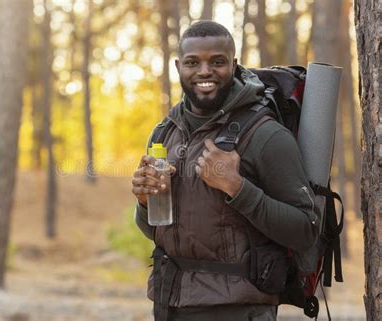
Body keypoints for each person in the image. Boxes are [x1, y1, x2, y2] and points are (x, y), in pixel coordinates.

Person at [131, 21, 320, 321]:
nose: (204, 71)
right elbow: (153, 230)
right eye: (193, 62)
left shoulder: (265, 136)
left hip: (239, 309)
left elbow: (306, 229)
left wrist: (237, 188)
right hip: (170, 306)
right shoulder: (164, 133)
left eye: (217, 62)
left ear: (233, 65)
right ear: (179, 66)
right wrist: (145, 201)